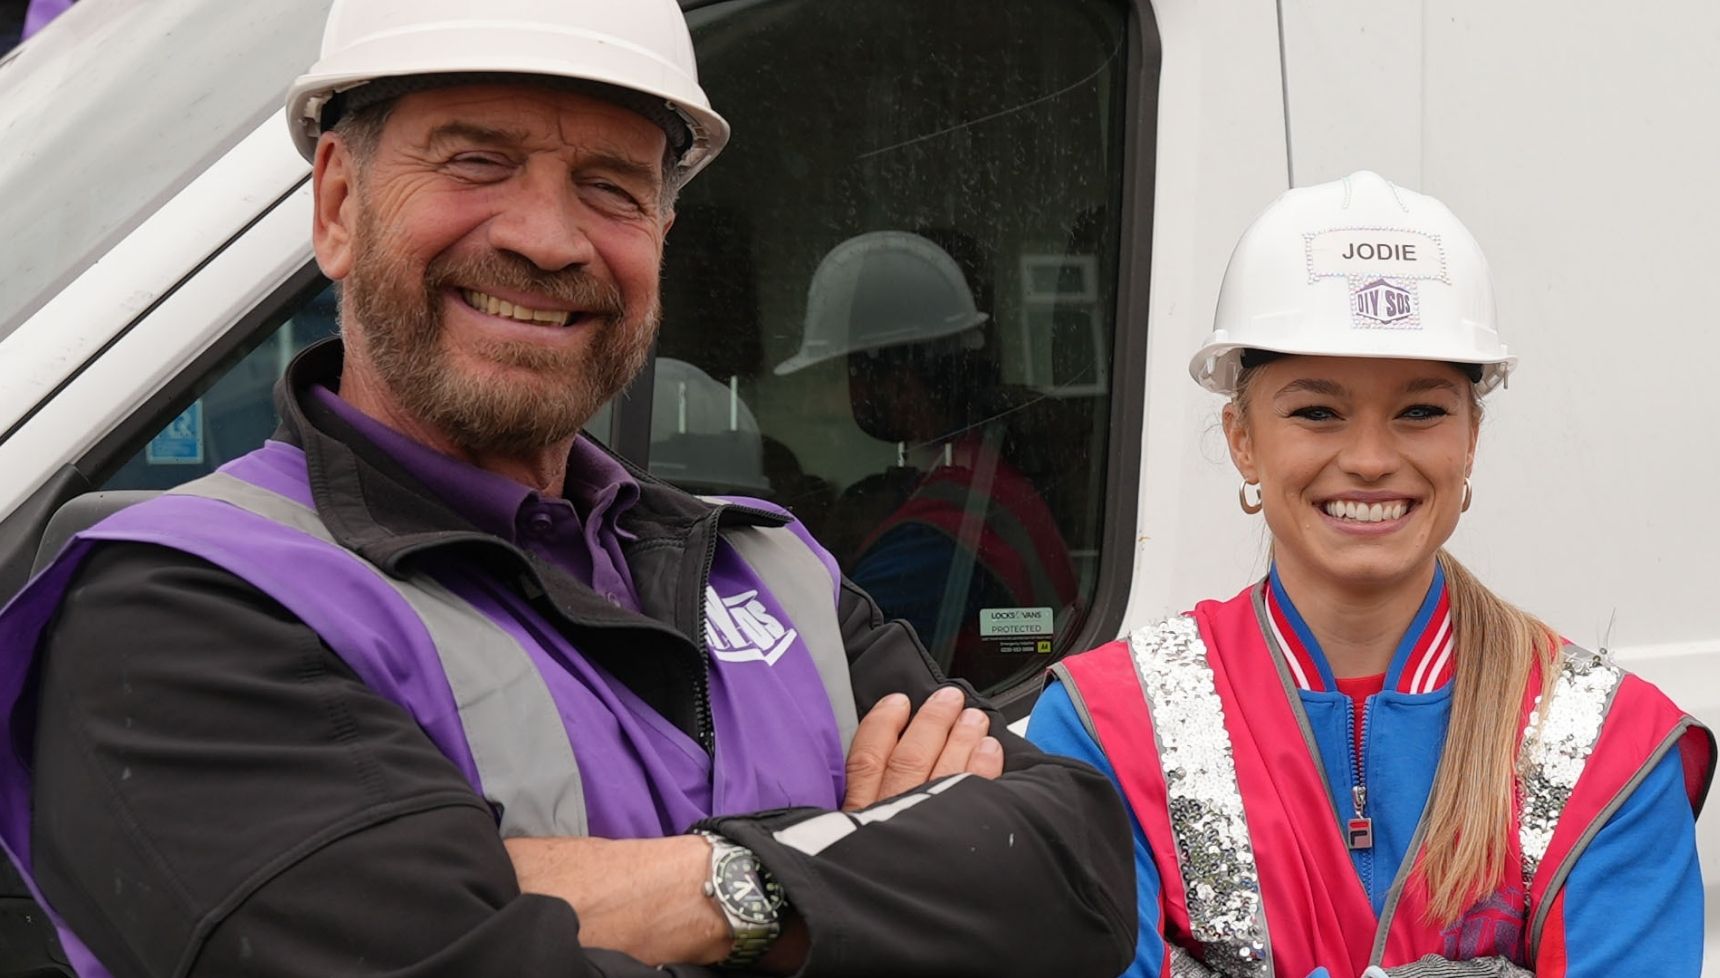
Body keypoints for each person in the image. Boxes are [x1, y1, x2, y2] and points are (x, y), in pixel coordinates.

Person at [0, 2, 1136, 976]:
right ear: (338, 204)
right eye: (476, 161)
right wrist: (857, 868)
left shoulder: (771, 570)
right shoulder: (174, 608)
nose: (549, 240)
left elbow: (1079, 877)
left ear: (661, 234)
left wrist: (693, 894)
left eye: (610, 187)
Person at [1028, 171, 1713, 978]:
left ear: (1470, 439)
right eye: (1316, 412)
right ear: (1242, 439)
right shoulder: (1106, 724)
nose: (1370, 459)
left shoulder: (1613, 745)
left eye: (1420, 411)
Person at [776, 230, 1078, 689]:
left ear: (900, 384)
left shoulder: (936, 532)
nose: (820, 402)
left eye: (849, 371)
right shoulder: (989, 480)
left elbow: (817, 659)